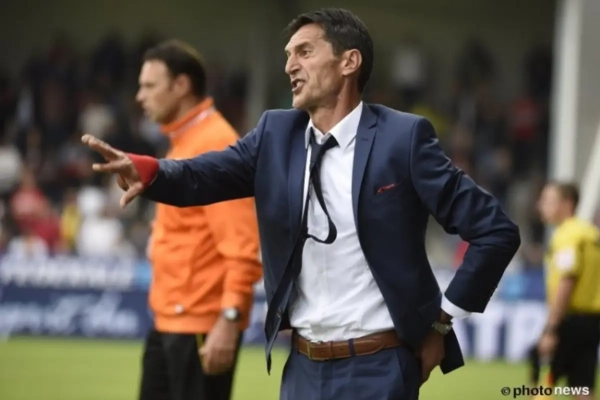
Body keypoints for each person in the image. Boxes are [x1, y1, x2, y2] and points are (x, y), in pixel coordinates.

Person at [83, 9, 520, 400]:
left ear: (349, 62)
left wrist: (442, 323)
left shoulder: (402, 139)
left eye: (305, 52)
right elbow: (201, 176)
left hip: (381, 367)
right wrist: (148, 170)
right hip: (302, 370)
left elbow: (495, 231)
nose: (290, 64)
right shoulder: (276, 134)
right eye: (289, 54)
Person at [129, 40, 263, 400]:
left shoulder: (214, 142)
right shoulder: (185, 140)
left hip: (200, 325)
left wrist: (230, 319)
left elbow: (243, 245)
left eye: (149, 86)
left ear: (181, 85)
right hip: (171, 319)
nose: (140, 96)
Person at [536, 181, 600, 400]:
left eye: (548, 201)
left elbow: (567, 280)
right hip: (592, 320)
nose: (541, 206)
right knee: (582, 387)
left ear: (567, 203)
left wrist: (551, 328)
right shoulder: (590, 233)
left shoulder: (568, 235)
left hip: (569, 320)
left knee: (541, 384)